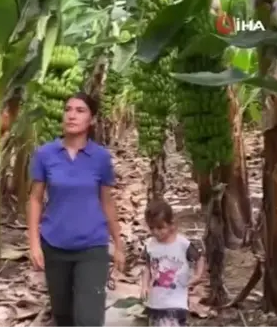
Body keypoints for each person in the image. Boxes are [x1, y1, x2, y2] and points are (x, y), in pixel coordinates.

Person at [27, 92, 126, 327]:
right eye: (68, 109)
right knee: (63, 315)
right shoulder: (45, 154)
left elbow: (106, 201)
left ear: (91, 120)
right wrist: (33, 242)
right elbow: (35, 199)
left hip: (92, 245)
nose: (71, 115)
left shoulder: (100, 157)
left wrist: (119, 244)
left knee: (88, 319)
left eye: (80, 111)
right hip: (54, 243)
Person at [140, 201, 206, 327]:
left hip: (177, 300)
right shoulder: (150, 245)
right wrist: (144, 286)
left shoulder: (182, 244)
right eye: (152, 228)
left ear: (172, 225)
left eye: (160, 228)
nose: (155, 232)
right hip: (156, 300)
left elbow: (199, 258)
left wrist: (197, 276)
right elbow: (147, 267)